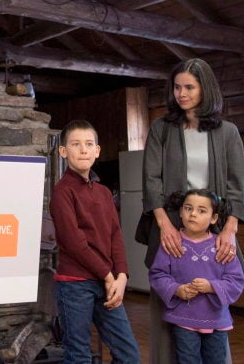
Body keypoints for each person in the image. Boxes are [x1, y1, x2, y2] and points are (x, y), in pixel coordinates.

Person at [142, 58, 244, 363]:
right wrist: (164, 225)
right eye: (177, 87)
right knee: (170, 299)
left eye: (189, 87)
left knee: (214, 305)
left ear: (206, 89)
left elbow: (237, 185)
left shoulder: (228, 132)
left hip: (215, 229)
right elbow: (150, 180)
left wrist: (229, 229)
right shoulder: (161, 128)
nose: (181, 93)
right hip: (171, 228)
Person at [50, 119, 140, 363]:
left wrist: (122, 276)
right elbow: (74, 243)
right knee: (79, 354)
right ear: (63, 151)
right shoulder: (62, 192)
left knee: (128, 354)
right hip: (75, 285)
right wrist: (108, 275)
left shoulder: (103, 193)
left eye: (89, 144)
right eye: (76, 144)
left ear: (97, 151)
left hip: (108, 283)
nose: (83, 149)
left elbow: (115, 236)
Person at [149, 189, 244, 364]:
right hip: (183, 320)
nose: (193, 214)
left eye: (202, 211)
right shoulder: (171, 244)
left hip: (217, 321)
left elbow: (236, 280)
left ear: (214, 218)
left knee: (216, 360)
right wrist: (177, 289)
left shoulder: (222, 245)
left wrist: (211, 287)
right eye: (188, 208)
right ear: (180, 212)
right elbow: (157, 274)